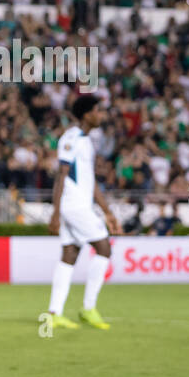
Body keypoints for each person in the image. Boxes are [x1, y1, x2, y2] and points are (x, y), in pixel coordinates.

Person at [46, 94, 121, 331]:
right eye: (98, 111)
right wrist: (55, 213)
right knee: (104, 248)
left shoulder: (87, 141)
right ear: (87, 114)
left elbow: (91, 183)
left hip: (79, 204)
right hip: (73, 205)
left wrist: (107, 212)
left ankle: (54, 312)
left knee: (70, 253)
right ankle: (88, 308)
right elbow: (61, 174)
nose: (101, 115)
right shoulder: (72, 138)